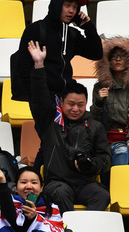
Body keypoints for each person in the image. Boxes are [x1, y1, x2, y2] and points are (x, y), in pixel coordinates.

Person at [28, 41, 111, 213]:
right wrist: (39, 66)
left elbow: (106, 158)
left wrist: (92, 164)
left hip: (85, 183)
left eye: (80, 105)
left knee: (102, 195)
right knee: (61, 193)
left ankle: (86, 231)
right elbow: (39, 98)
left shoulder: (95, 126)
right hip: (57, 183)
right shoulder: (51, 122)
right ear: (62, 103)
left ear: (86, 103)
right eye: (71, 104)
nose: (75, 109)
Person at [16, 0, 102, 99]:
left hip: (66, 96)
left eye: (75, 7)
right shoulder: (35, 30)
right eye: (67, 6)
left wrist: (88, 26)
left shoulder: (72, 34)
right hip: (43, 96)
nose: (71, 11)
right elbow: (23, 66)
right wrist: (37, 96)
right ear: (57, 5)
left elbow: (96, 53)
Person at [92, 37, 129, 166]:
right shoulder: (100, 87)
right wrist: (98, 102)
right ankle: (119, 186)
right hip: (108, 138)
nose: (118, 59)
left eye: (122, 56)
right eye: (114, 56)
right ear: (107, 61)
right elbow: (94, 120)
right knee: (121, 152)